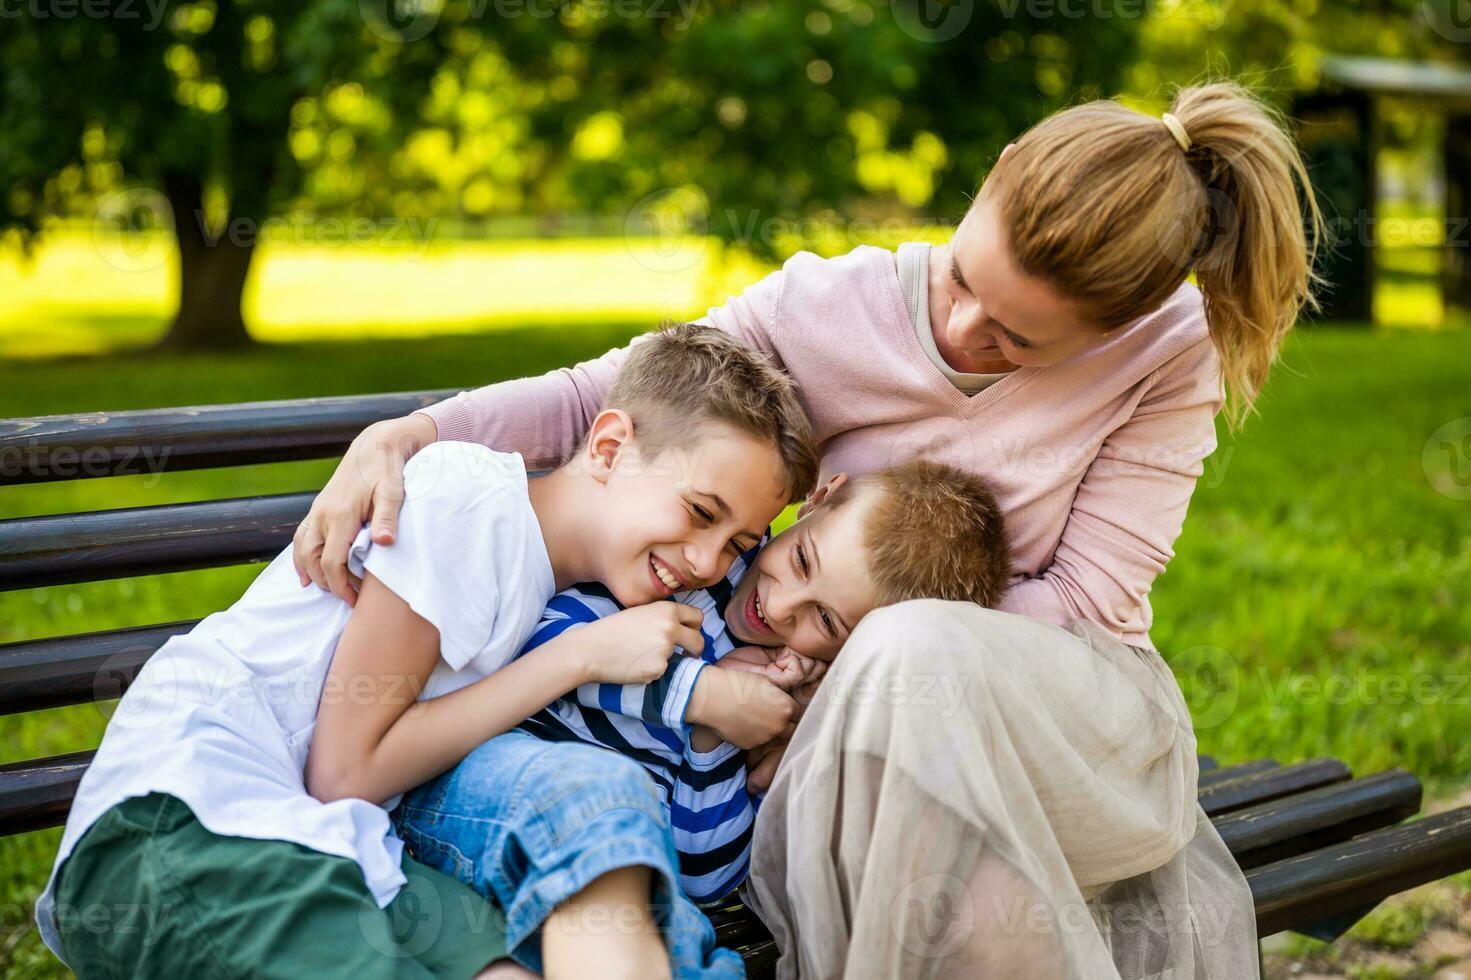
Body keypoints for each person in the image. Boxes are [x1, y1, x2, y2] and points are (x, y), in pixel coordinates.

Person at [295, 82, 1322, 978]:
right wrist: (408, 432)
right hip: (833, 730)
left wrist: (844, 685)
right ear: (994, 175)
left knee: (909, 640)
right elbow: (604, 400)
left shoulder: (1166, 353)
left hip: (1055, 710)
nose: (967, 331)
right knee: (963, 912)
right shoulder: (827, 307)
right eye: (964, 282)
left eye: (1017, 340)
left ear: (1113, 329)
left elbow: (1089, 601)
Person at [36, 323, 817, 980]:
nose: (710, 563)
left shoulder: (551, 575)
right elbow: (344, 770)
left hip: (344, 847)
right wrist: (579, 657)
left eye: (739, 544)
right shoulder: (470, 502)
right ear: (608, 448)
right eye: (699, 512)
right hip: (186, 825)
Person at [391, 459, 1009, 979]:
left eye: (826, 621)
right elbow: (545, 642)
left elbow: (705, 873)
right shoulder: (696, 569)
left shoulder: (778, 697)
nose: (781, 606)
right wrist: (701, 694)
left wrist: (714, 740)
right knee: (607, 814)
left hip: (623, 866)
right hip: (490, 793)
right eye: (800, 562)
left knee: (689, 943)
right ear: (821, 500)